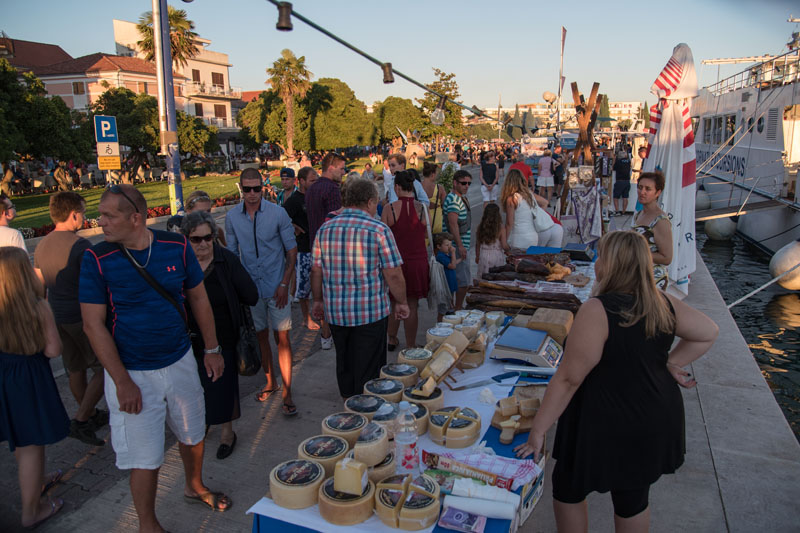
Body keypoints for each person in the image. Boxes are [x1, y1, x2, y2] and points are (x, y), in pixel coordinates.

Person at [514, 230, 718, 532]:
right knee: (633, 497)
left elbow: (569, 378)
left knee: (569, 489)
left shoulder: (598, 309)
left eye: (601, 257)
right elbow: (708, 332)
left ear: (611, 265)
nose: (596, 263)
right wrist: (671, 362)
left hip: (603, 417)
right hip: (650, 415)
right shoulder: (661, 301)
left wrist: (538, 430)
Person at [80, 184, 231, 530]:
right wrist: (122, 381)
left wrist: (212, 349)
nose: (100, 221)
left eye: (108, 215)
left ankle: (194, 486)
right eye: (100, 215)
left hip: (179, 361)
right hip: (132, 372)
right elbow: (92, 325)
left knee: (193, 433)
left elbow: (198, 298)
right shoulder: (96, 259)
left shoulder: (176, 246)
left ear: (136, 218)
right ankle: (148, 524)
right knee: (145, 457)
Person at [311, 178, 409, 399]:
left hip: (336, 313)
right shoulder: (378, 230)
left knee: (345, 363)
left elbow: (316, 271)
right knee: (369, 371)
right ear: (370, 202)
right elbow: (393, 273)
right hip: (370, 313)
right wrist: (402, 302)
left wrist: (317, 300)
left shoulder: (325, 229)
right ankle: (366, 410)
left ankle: (349, 403)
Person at [0, 247, 70, 529]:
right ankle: (32, 511)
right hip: (29, 376)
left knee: (19, 436)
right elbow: (53, 350)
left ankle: (37, 480)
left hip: (4, 374)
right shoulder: (37, 306)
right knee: (31, 443)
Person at [181, 211, 258, 459]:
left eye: (208, 238)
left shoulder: (226, 260)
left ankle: (227, 432)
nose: (203, 244)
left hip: (224, 336)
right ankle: (204, 420)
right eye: (196, 239)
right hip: (191, 338)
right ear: (186, 239)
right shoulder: (181, 263)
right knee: (197, 385)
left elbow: (251, 295)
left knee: (223, 385)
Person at [33, 192, 107, 447]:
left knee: (75, 368)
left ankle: (90, 414)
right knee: (104, 368)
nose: (84, 218)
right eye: (83, 213)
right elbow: (96, 282)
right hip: (81, 316)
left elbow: (39, 285)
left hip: (57, 315)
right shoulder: (81, 246)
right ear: (74, 215)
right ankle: (82, 419)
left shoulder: (43, 244)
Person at [226, 168, 298, 413]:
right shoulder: (232, 217)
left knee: (283, 338)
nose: (252, 193)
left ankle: (287, 391)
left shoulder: (278, 213)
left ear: (262, 188)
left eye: (257, 188)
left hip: (277, 285)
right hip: (251, 290)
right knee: (260, 337)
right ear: (241, 189)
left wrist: (285, 284)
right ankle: (271, 382)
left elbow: (291, 251)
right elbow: (232, 255)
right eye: (247, 189)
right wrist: (238, 288)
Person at [382, 171, 429, 351]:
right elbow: (426, 234)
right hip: (418, 261)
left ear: (397, 187)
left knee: (395, 301)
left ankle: (392, 338)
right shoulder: (422, 208)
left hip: (396, 262)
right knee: (412, 305)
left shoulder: (389, 209)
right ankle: (410, 344)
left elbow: (383, 237)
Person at [305, 152, 346, 350]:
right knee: (332, 294)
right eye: (341, 168)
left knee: (319, 292)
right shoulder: (332, 190)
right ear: (331, 167)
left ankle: (325, 333)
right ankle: (331, 333)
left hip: (314, 245)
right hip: (331, 250)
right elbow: (335, 221)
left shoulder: (312, 188)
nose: (344, 172)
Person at [284, 167, 320, 330]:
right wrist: (294, 227)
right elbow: (281, 218)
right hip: (303, 249)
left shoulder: (316, 196)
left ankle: (322, 317)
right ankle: (306, 318)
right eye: (312, 180)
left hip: (318, 247)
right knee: (304, 286)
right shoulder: (294, 200)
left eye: (316, 180)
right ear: (302, 181)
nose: (315, 183)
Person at [632, 171, 673, 290]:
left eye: (648, 189)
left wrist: (636, 253)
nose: (642, 192)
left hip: (652, 279)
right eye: (640, 187)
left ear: (658, 193)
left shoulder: (660, 221)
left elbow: (667, 258)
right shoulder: (639, 214)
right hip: (638, 276)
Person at [443, 169, 473, 311]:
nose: (466, 186)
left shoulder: (459, 198)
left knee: (460, 281)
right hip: (456, 248)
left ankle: (454, 307)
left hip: (459, 247)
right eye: (463, 183)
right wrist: (460, 246)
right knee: (463, 282)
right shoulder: (454, 199)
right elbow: (453, 224)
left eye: (469, 183)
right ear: (455, 183)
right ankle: (457, 307)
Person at [501, 168, 539, 249]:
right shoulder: (529, 194)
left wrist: (505, 242)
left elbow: (509, 223)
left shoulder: (512, 199)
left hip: (519, 238)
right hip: (533, 236)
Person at [475, 203, 509, 278]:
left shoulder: (480, 227)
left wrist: (477, 256)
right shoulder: (501, 228)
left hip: (483, 256)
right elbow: (504, 245)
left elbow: (477, 244)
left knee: (484, 278)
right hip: (496, 256)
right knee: (496, 278)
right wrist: (509, 250)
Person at [433, 232, 460, 322]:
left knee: (450, 306)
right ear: (439, 246)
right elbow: (452, 266)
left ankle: (447, 323)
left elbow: (453, 263)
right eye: (447, 245)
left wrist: (461, 259)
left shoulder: (446, 254)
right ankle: (439, 324)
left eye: (450, 244)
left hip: (450, 285)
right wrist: (453, 253)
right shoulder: (440, 256)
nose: (450, 247)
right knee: (443, 310)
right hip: (445, 287)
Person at [421, 162, 445, 236]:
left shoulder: (418, 188)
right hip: (437, 223)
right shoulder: (440, 188)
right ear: (432, 174)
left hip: (423, 223)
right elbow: (444, 205)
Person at [612, 150, 633, 215]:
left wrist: (614, 160)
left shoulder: (618, 162)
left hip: (619, 181)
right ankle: (624, 211)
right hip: (627, 181)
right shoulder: (628, 161)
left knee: (615, 197)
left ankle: (617, 211)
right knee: (625, 197)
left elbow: (613, 168)